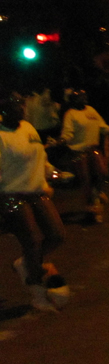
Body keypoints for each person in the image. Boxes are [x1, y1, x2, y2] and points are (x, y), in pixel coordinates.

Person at [0, 95, 69, 312]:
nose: (20, 110)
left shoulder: (28, 127)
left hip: (37, 191)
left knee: (57, 234)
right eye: (14, 107)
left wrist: (53, 171)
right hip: (12, 194)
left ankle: (25, 263)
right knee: (31, 241)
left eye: (21, 106)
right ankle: (37, 293)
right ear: (4, 112)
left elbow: (40, 156)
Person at [59, 89, 109, 223]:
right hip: (79, 152)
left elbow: (101, 125)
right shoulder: (70, 114)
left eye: (84, 96)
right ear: (73, 100)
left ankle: (98, 194)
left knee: (102, 172)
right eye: (80, 97)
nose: (84, 99)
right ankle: (92, 208)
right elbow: (68, 132)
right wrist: (63, 139)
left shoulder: (91, 110)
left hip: (93, 149)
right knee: (86, 180)